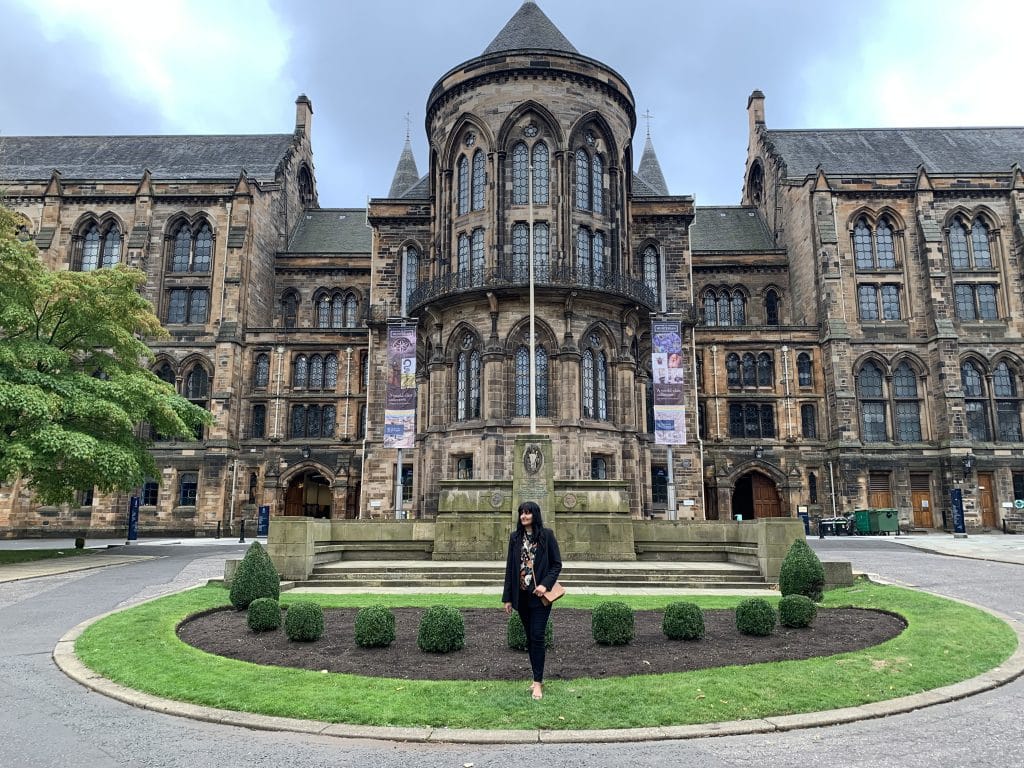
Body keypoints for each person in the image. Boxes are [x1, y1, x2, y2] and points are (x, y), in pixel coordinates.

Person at [502, 501, 562, 700]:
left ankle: (537, 683)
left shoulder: (546, 536)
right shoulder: (515, 538)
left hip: (540, 597)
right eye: (521, 513)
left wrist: (545, 584)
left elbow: (556, 564)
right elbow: (510, 569)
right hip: (522, 596)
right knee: (530, 638)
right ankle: (537, 677)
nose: (524, 517)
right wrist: (507, 598)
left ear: (535, 515)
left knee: (537, 636)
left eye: (527, 513)